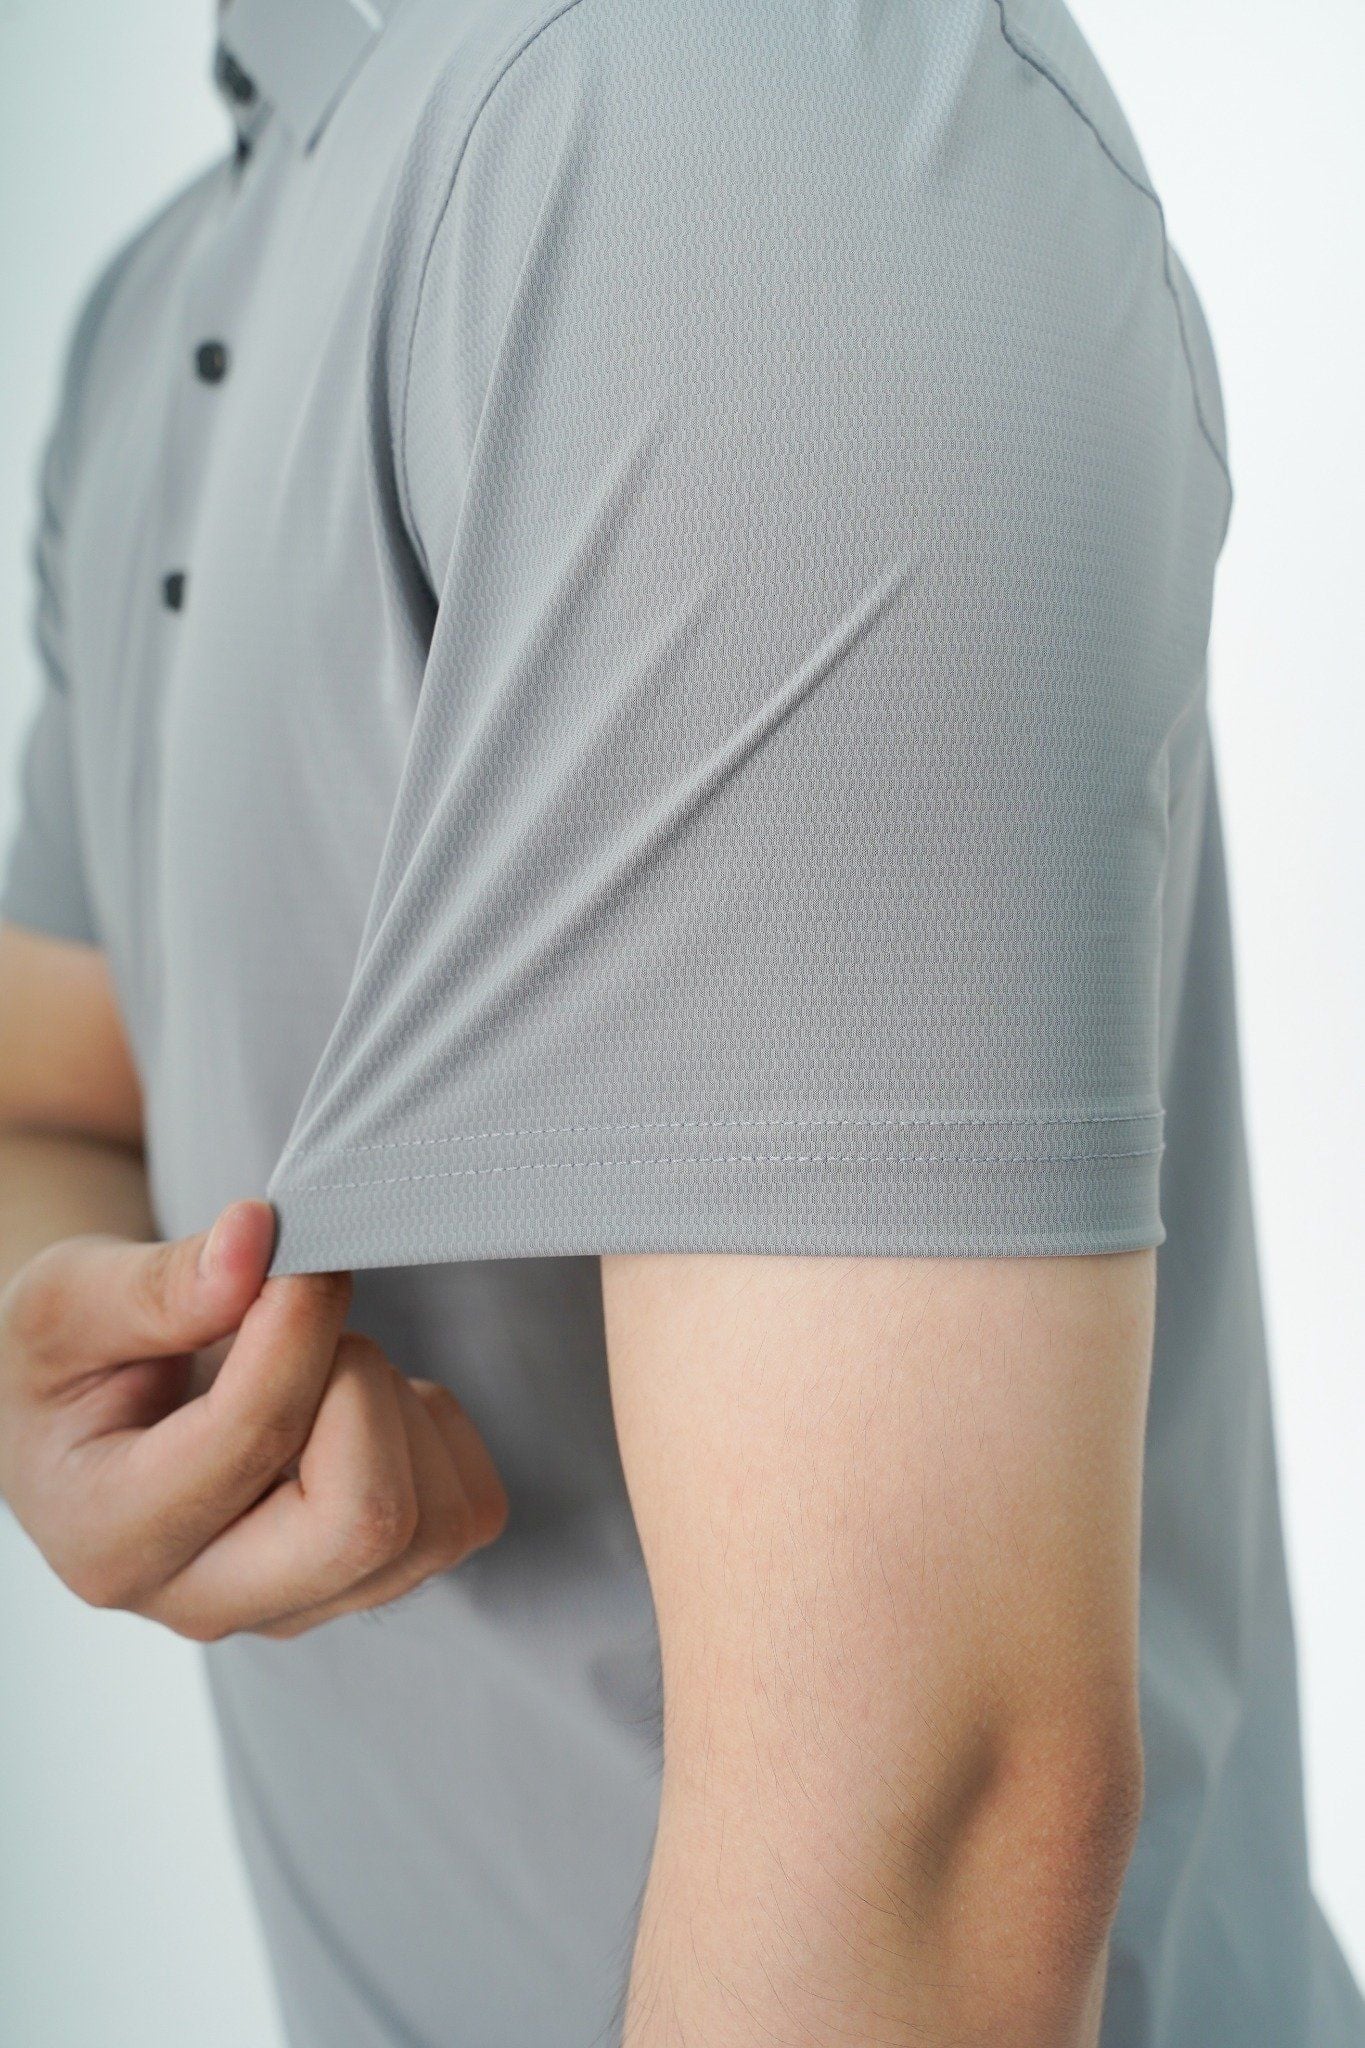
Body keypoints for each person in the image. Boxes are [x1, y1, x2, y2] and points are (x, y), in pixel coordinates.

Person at [0, 1, 1360, 2043]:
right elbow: (55, 1084)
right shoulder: (170, 296)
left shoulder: (722, 124)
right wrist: (62, 1363)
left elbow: (928, 1841)